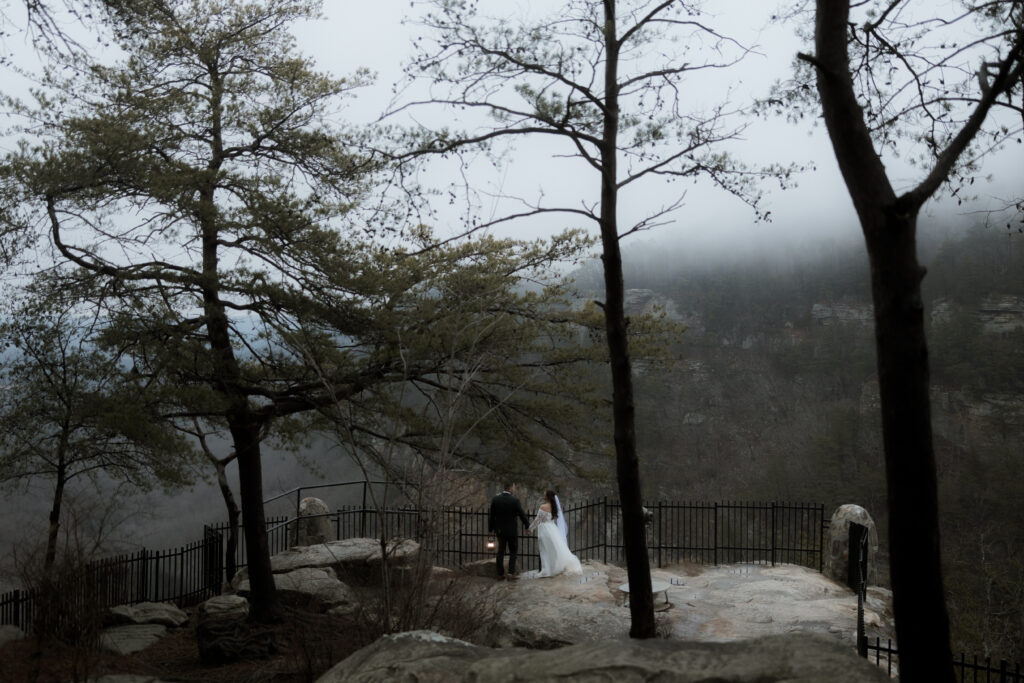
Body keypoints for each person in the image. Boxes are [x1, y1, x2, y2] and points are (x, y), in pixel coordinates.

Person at [525, 489, 582, 578]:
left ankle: (546, 570)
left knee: (544, 550)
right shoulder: (554, 506)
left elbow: (537, 520)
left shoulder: (543, 507)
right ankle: (553, 568)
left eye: (544, 494)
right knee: (553, 549)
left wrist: (530, 529)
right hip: (552, 528)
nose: (543, 495)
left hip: (544, 529)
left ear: (547, 497)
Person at [488, 482, 529, 580]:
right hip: (512, 531)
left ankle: (500, 573)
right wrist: (527, 526)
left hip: (500, 530)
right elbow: (522, 514)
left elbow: (492, 516)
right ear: (510, 488)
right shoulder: (515, 500)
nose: (514, 489)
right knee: (513, 551)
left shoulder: (496, 499)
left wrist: (490, 529)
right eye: (514, 487)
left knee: (500, 551)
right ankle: (510, 573)